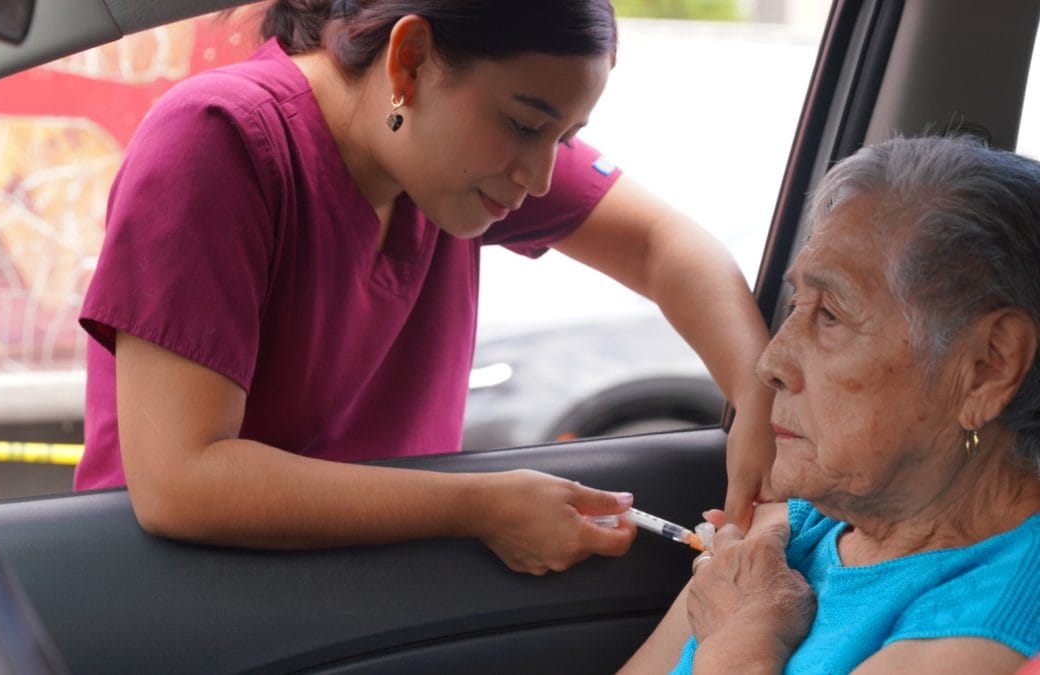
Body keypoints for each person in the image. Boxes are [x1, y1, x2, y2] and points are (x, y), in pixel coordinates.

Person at [74, 0, 776, 575]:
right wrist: (479, 506)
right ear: (409, 61)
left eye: (562, 140)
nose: (537, 176)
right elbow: (181, 482)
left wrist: (757, 398)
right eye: (526, 125)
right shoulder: (220, 138)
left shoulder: (438, 157)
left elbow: (665, 245)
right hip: (186, 597)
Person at [622, 135, 1040, 672]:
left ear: (987, 367)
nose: (769, 362)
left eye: (831, 316)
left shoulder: (999, 610)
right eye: (797, 303)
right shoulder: (807, 525)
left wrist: (741, 640)